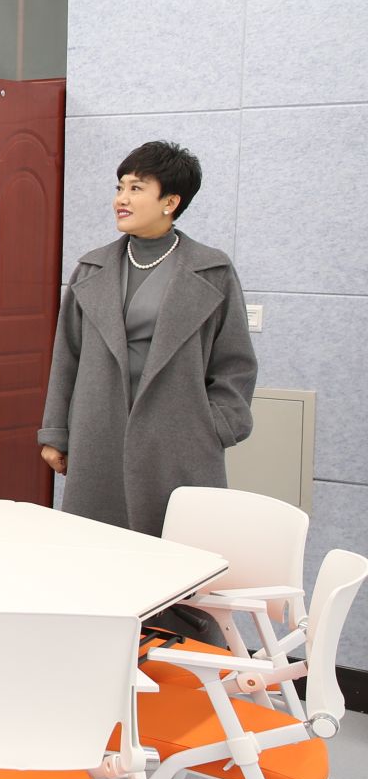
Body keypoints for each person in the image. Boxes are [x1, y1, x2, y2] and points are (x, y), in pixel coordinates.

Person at [39, 141, 256, 537]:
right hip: (99, 435)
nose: (121, 199)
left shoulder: (212, 270)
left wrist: (214, 426)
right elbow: (66, 357)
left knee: (178, 556)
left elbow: (235, 363)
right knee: (97, 552)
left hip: (179, 442)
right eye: (120, 187)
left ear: (170, 201)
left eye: (136, 188)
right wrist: (55, 432)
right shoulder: (91, 268)